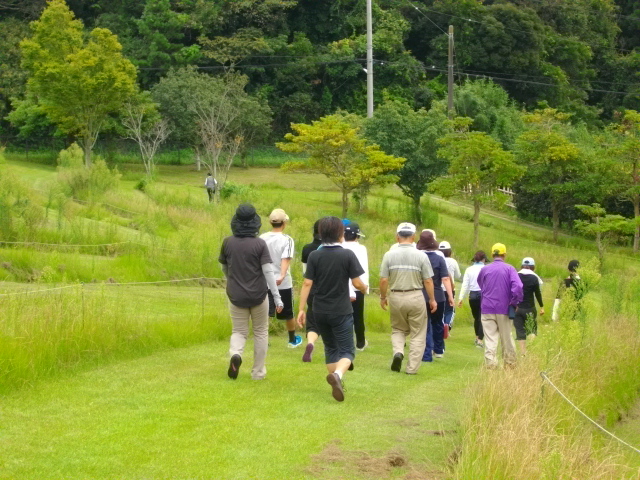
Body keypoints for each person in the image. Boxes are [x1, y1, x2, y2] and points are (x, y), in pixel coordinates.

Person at [297, 216, 367, 402]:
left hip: (319, 310)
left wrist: (302, 309)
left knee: (330, 348)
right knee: (348, 351)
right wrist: (364, 288)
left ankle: (336, 380)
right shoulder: (347, 255)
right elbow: (357, 282)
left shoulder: (314, 255)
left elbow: (306, 283)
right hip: (341, 310)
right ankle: (337, 375)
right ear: (340, 234)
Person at [219, 203, 283, 380]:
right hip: (258, 295)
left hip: (236, 295)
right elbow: (268, 272)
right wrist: (277, 297)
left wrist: (231, 280)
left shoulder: (227, 242)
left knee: (239, 331)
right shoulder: (259, 244)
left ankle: (236, 354)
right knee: (261, 331)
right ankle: (258, 372)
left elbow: (224, 268)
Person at [379, 222, 437, 374]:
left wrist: (383, 297)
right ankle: (411, 368)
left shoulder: (389, 255)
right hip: (416, 295)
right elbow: (428, 280)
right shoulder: (421, 255)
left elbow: (384, 280)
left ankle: (398, 352)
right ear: (413, 237)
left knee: (398, 329)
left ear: (397, 237)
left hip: (396, 296)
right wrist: (432, 299)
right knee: (418, 333)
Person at [476, 243, 523, 368]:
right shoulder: (510, 269)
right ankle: (510, 364)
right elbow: (518, 286)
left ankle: (491, 363)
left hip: (487, 307)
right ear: (504, 255)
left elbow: (481, 284)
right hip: (504, 308)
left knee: (490, 338)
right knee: (506, 337)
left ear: (492, 254)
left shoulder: (485, 269)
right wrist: (514, 301)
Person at [260, 209, 302, 348]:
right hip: (282, 283)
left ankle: (263, 340)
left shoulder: (262, 238)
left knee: (265, 311)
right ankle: (291, 339)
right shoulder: (287, 239)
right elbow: (286, 258)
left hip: (264, 280)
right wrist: (282, 274)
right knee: (288, 313)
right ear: (284, 223)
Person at [417, 231, 454, 361]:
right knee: (438, 323)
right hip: (438, 295)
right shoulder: (439, 258)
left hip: (421, 295)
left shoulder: (418, 257)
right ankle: (438, 349)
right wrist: (450, 295)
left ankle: (426, 354)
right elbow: (445, 278)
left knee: (424, 325)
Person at [343, 222, 369, 351]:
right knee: (358, 316)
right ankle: (360, 342)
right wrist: (365, 287)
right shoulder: (361, 249)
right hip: (357, 285)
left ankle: (343, 340)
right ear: (356, 236)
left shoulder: (339, 247)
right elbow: (364, 269)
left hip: (341, 287)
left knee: (342, 315)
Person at [300, 220, 322, 362]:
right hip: (330, 289)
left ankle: (310, 343)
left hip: (313, 289)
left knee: (313, 322)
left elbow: (305, 273)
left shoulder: (307, 249)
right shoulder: (335, 249)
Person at [458, 251, 488, 348]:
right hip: (483, 294)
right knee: (482, 318)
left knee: (476, 318)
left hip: (473, 295)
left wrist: (460, 298)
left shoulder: (469, 269)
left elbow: (465, 285)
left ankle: (477, 337)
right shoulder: (486, 268)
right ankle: (479, 340)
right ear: (484, 259)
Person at [515, 257, 544, 356]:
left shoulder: (516, 276)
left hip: (517, 308)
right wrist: (541, 306)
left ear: (522, 266)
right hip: (530, 308)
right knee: (531, 329)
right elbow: (537, 294)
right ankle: (530, 349)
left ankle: (523, 353)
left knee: (520, 330)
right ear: (533, 267)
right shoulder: (534, 278)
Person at [439, 241, 461, 335]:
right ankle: (447, 324)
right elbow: (458, 275)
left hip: (438, 289)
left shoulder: (438, 259)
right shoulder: (453, 261)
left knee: (440, 309)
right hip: (449, 288)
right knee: (449, 310)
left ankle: (441, 325)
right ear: (449, 251)